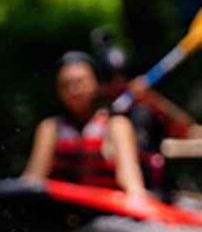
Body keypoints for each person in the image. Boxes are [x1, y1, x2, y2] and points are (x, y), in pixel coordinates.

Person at [21, 51, 149, 199]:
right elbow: (33, 179)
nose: (73, 90)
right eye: (65, 85)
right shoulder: (50, 128)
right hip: (62, 212)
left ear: (97, 84)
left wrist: (139, 199)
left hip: (107, 213)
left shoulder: (117, 126)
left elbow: (131, 181)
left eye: (80, 82)